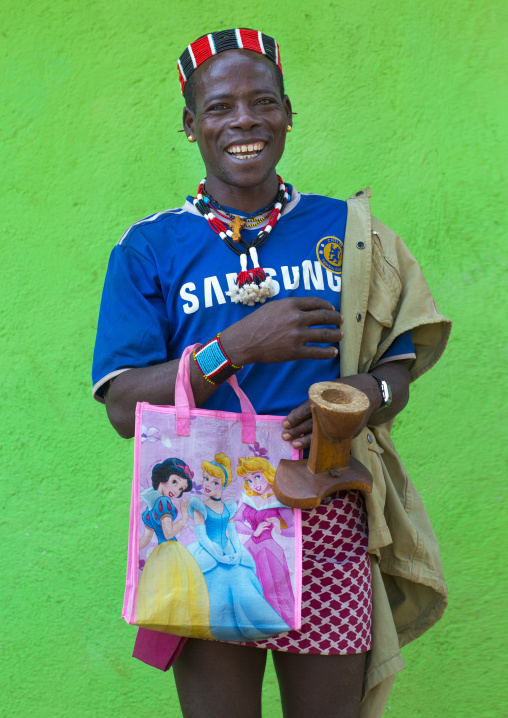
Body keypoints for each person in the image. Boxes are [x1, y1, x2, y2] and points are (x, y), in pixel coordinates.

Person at [92, 28, 451, 718]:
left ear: (288, 113)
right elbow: (121, 407)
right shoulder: (149, 247)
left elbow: (396, 370)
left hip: (326, 506)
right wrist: (236, 346)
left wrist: (360, 401)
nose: (245, 120)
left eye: (263, 102)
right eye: (220, 107)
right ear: (191, 125)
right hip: (205, 518)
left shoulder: (351, 232)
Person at [186, 452, 290, 640]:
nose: (208, 485)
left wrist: (235, 552)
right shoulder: (199, 506)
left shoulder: (229, 507)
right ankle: (216, 624)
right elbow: (202, 538)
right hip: (208, 551)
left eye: (215, 482)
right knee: (217, 581)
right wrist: (219, 557)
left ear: (223, 485)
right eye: (206, 479)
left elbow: (232, 532)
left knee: (242, 576)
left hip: (229, 549)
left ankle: (263, 624)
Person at [136, 458, 213, 640]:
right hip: (171, 550)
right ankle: (184, 622)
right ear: (163, 477)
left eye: (180, 489)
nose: (176, 490)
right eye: (175, 482)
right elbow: (169, 533)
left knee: (164, 589)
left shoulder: (148, 508)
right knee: (182, 587)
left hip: (158, 555)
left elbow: (147, 537)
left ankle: (168, 621)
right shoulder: (164, 503)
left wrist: (133, 552)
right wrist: (185, 517)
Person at [234, 456, 296, 626]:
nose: (254, 484)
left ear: (267, 474)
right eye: (248, 480)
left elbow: (294, 528)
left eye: (257, 476)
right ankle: (247, 621)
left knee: (271, 585)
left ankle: (272, 620)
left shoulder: (279, 500)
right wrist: (254, 531)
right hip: (249, 547)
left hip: (269, 549)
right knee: (246, 584)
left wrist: (279, 528)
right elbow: (236, 523)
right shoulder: (248, 499)